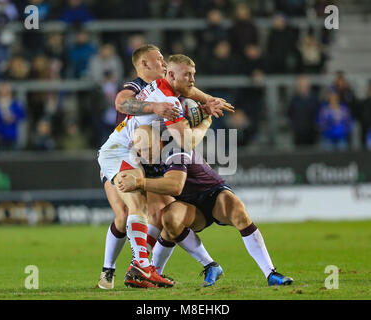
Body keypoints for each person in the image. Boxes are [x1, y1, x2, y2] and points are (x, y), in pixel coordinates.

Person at [97, 45, 234, 289]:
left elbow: (186, 89)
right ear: (146, 65)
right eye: (158, 58)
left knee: (155, 211)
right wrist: (205, 122)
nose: (162, 61)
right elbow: (184, 140)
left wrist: (205, 103)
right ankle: (134, 268)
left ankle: (141, 268)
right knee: (134, 208)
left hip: (132, 150)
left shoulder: (163, 87)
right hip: (120, 151)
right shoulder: (157, 95)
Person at [118, 125, 294, 287]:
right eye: (140, 150)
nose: (145, 154)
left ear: (159, 140)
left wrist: (139, 182)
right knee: (169, 219)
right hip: (189, 205)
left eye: (148, 148)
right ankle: (205, 266)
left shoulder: (175, 148)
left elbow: (175, 185)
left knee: (237, 211)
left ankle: (270, 273)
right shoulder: (147, 161)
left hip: (212, 193)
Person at [0, 82, 25, 150]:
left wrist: (14, 117)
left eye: (6, 92)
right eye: (2, 93)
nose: (4, 95)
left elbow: (22, 115)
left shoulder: (16, 104)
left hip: (12, 135)